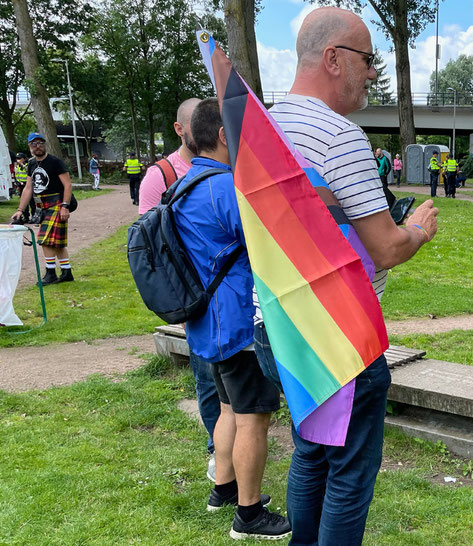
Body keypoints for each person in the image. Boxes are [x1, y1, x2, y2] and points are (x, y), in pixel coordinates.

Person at [265, 7, 439, 544]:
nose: (373, 73)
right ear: (334, 59)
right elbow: (385, 248)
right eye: (367, 60)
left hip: (275, 323)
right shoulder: (340, 136)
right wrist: (417, 229)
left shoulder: (262, 124)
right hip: (338, 336)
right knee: (348, 473)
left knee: (311, 451)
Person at [173, 99, 289, 540]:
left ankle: (223, 488)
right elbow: (269, 244)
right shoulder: (226, 189)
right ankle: (249, 514)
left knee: (226, 409)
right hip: (240, 325)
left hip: (205, 324)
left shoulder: (185, 185)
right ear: (224, 135)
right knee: (254, 417)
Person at [136, 98, 219, 482]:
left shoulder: (225, 165)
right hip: (194, 296)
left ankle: (236, 445)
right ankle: (217, 450)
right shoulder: (161, 174)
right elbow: (150, 244)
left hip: (230, 292)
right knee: (206, 375)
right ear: (179, 129)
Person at [11, 133, 74, 284]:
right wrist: (20, 209)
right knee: (56, 242)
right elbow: (28, 188)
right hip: (41, 206)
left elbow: (67, 185)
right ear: (29, 147)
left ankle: (50, 273)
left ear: (45, 144)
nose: (37, 146)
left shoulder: (54, 162)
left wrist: (65, 206)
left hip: (56, 204)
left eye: (40, 143)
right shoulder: (32, 164)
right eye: (34, 144)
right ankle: (67, 273)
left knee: (45, 240)